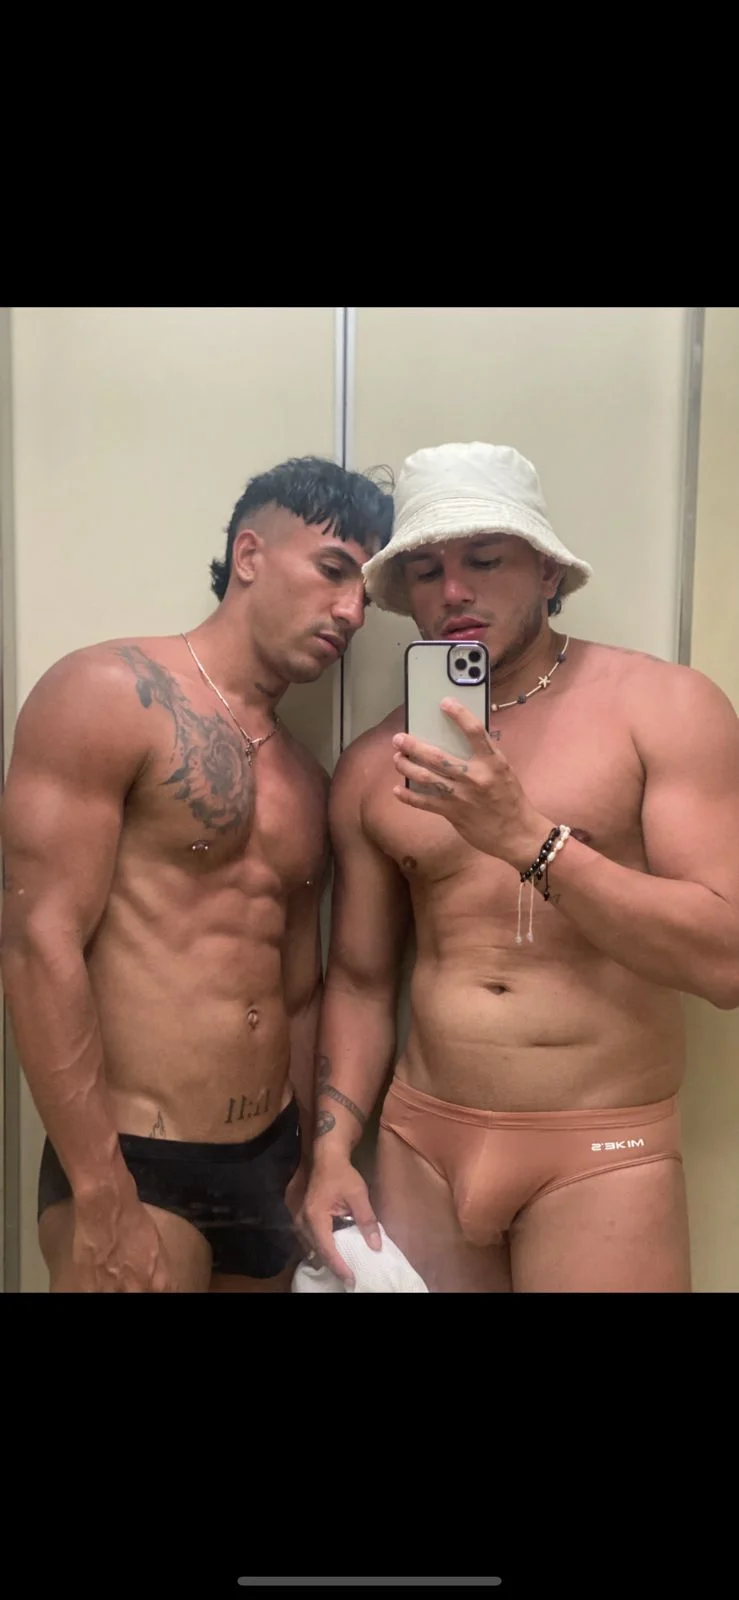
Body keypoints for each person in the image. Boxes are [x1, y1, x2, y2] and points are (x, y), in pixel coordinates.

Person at [300, 441, 739, 1293]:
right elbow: (358, 982)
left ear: (546, 570)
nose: (453, 591)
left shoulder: (661, 707)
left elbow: (725, 962)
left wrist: (530, 841)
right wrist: (331, 1148)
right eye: (425, 570)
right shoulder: (374, 766)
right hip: (418, 1145)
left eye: (484, 559)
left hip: (599, 1151)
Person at [0, 455, 393, 1293]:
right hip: (135, 1163)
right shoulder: (109, 692)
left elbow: (298, 989)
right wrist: (101, 1191)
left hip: (268, 1161)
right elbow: (38, 944)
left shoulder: (305, 776)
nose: (352, 610)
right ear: (249, 554)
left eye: (365, 593)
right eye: (333, 571)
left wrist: (304, 1159)